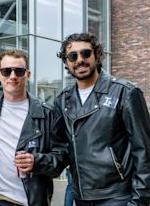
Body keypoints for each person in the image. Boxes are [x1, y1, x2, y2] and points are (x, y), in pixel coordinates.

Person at [54, 33, 150, 205]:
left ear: (97, 55)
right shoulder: (63, 100)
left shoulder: (125, 92)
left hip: (118, 197)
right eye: (72, 56)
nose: (80, 60)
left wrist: (139, 201)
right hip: (82, 197)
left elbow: (144, 152)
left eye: (86, 53)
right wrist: (36, 161)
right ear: (66, 63)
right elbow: (61, 150)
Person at [0, 50, 66, 206]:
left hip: (33, 201)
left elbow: (61, 157)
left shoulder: (47, 113)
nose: (12, 76)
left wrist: (37, 161)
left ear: (28, 75)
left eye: (19, 71)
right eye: (6, 71)